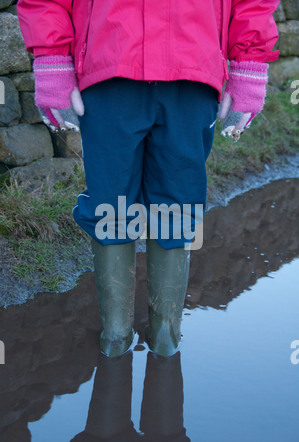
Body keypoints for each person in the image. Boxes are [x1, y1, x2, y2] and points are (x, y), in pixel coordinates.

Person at [17, 0, 280, 358]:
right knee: (111, 202)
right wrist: (51, 59)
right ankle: (116, 335)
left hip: (193, 67)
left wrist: (249, 62)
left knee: (179, 202)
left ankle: (165, 334)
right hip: (109, 63)